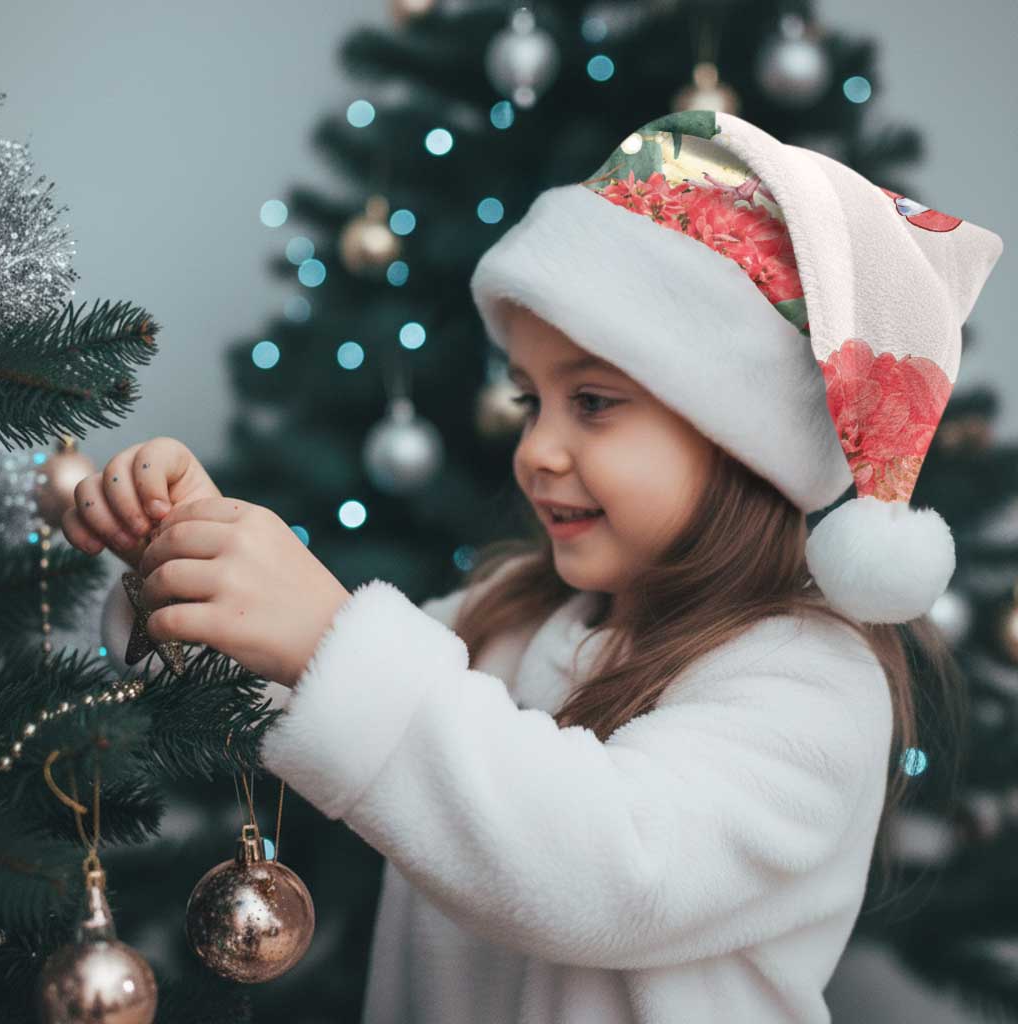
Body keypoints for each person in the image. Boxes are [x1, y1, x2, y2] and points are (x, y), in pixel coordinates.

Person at [68, 109, 1003, 1023]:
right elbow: (300, 691)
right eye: (530, 401)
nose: (537, 450)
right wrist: (185, 565)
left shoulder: (812, 683)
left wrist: (328, 635)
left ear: (741, 441)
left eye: (592, 403)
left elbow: (609, 870)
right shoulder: (509, 616)